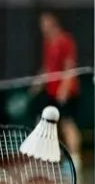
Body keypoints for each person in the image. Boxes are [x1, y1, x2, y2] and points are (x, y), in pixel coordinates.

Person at [31, 11, 81, 161]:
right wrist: (36, 84)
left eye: (45, 23)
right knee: (48, 126)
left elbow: (70, 66)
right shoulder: (47, 43)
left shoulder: (65, 41)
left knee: (67, 125)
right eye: (41, 24)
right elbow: (48, 68)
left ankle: (76, 159)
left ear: (53, 22)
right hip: (51, 92)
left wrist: (64, 89)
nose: (43, 27)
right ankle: (50, 158)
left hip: (66, 92)